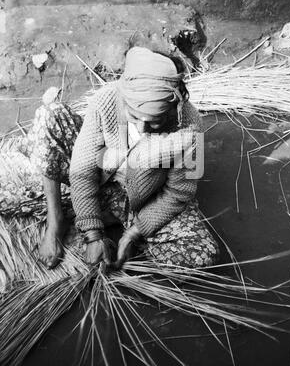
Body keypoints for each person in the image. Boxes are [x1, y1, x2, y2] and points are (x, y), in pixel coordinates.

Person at [22, 47, 219, 270]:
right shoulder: (105, 100)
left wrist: (135, 231)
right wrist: (92, 234)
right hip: (102, 175)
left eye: (155, 120)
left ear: (173, 106)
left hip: (144, 200)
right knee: (50, 114)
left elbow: (179, 192)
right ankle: (56, 219)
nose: (142, 128)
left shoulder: (191, 128)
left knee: (202, 256)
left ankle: (114, 220)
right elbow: (82, 169)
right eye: (134, 116)